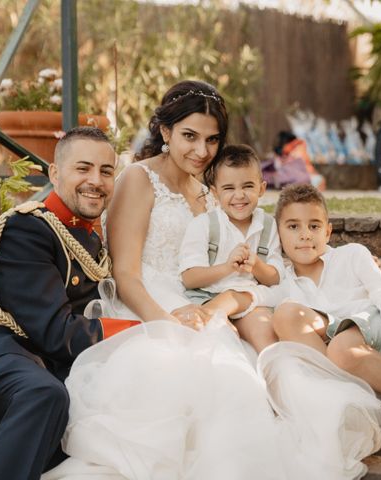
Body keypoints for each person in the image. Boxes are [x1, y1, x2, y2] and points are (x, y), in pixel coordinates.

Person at [43, 81, 296, 480]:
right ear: (165, 132)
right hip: (144, 303)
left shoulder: (209, 192)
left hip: (199, 303)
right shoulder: (139, 179)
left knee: (236, 380)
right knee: (184, 372)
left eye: (212, 140)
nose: (202, 151)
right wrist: (165, 324)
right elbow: (125, 274)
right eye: (189, 137)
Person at [0, 127, 137, 480]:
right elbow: (57, 334)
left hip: (49, 369)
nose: (96, 180)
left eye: (106, 171)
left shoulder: (92, 240)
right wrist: (142, 331)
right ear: (55, 173)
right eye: (83, 168)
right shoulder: (27, 229)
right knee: (45, 394)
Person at [269, 183, 381, 413]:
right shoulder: (285, 286)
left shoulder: (352, 255)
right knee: (286, 314)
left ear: (327, 232)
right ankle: (344, 393)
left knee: (341, 347)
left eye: (314, 225)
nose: (305, 234)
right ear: (278, 235)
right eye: (293, 226)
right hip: (350, 356)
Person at [178, 143, 284, 331]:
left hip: (251, 300)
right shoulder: (204, 225)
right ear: (215, 193)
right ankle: (205, 319)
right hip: (207, 297)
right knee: (223, 336)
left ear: (261, 188)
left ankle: (275, 360)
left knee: (264, 332)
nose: (239, 195)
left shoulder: (268, 225)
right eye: (228, 188)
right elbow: (189, 278)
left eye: (248, 186)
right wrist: (227, 267)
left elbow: (275, 278)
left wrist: (257, 265)